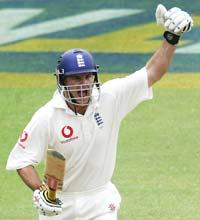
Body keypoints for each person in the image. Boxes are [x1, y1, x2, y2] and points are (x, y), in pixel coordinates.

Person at [6, 4, 193, 220]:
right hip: (59, 204)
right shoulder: (47, 116)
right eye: (76, 78)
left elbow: (152, 72)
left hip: (100, 201)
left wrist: (172, 38)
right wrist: (40, 192)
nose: (83, 84)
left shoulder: (109, 98)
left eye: (87, 77)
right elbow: (22, 159)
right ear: (62, 81)